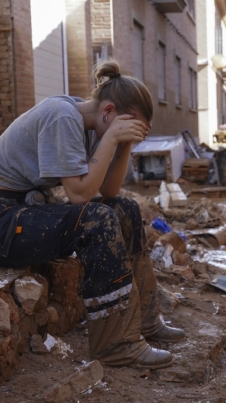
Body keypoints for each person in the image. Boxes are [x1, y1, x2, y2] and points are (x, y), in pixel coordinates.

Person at [0, 59, 186, 369]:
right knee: (95, 220)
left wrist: (123, 143)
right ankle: (116, 344)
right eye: (126, 123)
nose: (126, 130)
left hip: (25, 208)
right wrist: (112, 137)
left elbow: (111, 190)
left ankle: (145, 321)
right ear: (109, 111)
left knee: (124, 209)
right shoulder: (62, 117)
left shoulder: (88, 124)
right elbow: (79, 194)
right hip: (5, 219)